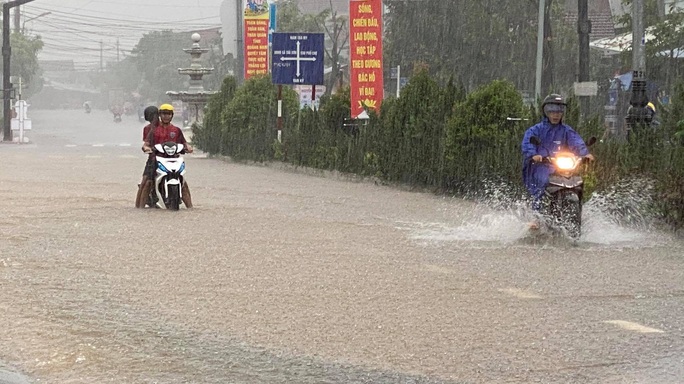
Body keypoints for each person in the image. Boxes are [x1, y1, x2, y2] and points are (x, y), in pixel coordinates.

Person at [521, 94, 594, 226]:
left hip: (563, 167)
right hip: (542, 166)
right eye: (552, 111)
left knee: (578, 182)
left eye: (559, 112)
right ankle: (535, 217)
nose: (556, 115)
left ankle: (579, 214)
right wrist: (533, 154)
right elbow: (528, 142)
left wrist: (585, 154)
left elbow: (576, 142)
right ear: (546, 112)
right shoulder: (536, 130)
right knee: (543, 181)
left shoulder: (566, 130)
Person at [139, 103, 194, 208]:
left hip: (174, 160)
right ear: (160, 115)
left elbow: (184, 143)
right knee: (147, 182)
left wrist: (189, 147)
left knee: (184, 184)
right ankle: (140, 208)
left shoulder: (176, 130)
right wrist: (147, 148)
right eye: (164, 113)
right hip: (155, 160)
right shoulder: (154, 130)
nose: (166, 116)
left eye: (168, 114)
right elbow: (146, 144)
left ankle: (190, 208)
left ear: (172, 115)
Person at [135, 105, 160, 208]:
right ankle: (138, 206)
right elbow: (146, 143)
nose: (153, 119)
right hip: (153, 159)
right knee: (146, 180)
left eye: (154, 116)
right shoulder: (147, 129)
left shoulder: (166, 127)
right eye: (150, 117)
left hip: (167, 158)